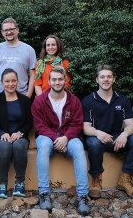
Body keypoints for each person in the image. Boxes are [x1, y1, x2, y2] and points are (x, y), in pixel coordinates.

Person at [31, 67, 90, 215]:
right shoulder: (39, 101)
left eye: (60, 79)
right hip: (47, 136)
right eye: (54, 79)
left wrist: (65, 138)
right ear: (49, 81)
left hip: (68, 137)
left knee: (78, 148)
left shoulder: (74, 101)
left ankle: (82, 196)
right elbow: (39, 126)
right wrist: (56, 139)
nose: (57, 82)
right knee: (43, 146)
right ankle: (44, 193)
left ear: (65, 81)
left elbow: (77, 124)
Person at [82, 65, 133, 199]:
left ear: (114, 79)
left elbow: (131, 125)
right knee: (93, 144)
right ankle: (96, 181)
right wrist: (98, 133)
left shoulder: (122, 100)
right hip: (97, 138)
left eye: (109, 77)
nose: (106, 79)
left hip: (117, 138)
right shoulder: (88, 100)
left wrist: (124, 134)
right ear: (97, 80)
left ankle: (125, 179)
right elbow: (85, 127)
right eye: (102, 77)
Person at [0, 68, 33, 198]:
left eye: (13, 81)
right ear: (2, 82)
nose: (10, 84)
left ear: (17, 82)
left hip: (19, 136)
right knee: (5, 146)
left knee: (19, 145)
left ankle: (20, 183)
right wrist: (1, 133)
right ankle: (2, 184)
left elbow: (29, 122)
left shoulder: (24, 100)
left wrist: (20, 133)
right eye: (7, 81)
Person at [0, 18, 36, 99]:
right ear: (2, 32)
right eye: (5, 30)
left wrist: (28, 96)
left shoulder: (29, 50)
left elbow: (32, 74)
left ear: (17, 29)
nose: (8, 32)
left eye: (11, 29)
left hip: (21, 96)